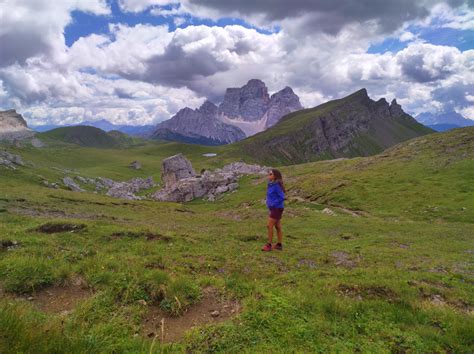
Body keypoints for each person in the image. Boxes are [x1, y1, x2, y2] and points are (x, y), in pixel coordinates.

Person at [262, 169, 286, 251]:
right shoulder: (270, 184)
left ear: (275, 176)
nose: (268, 175)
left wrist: (273, 204)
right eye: (268, 174)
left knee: (269, 226)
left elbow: (282, 197)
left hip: (277, 208)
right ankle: (279, 245)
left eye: (270, 174)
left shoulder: (277, 185)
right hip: (274, 208)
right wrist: (268, 202)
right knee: (277, 226)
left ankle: (269, 245)